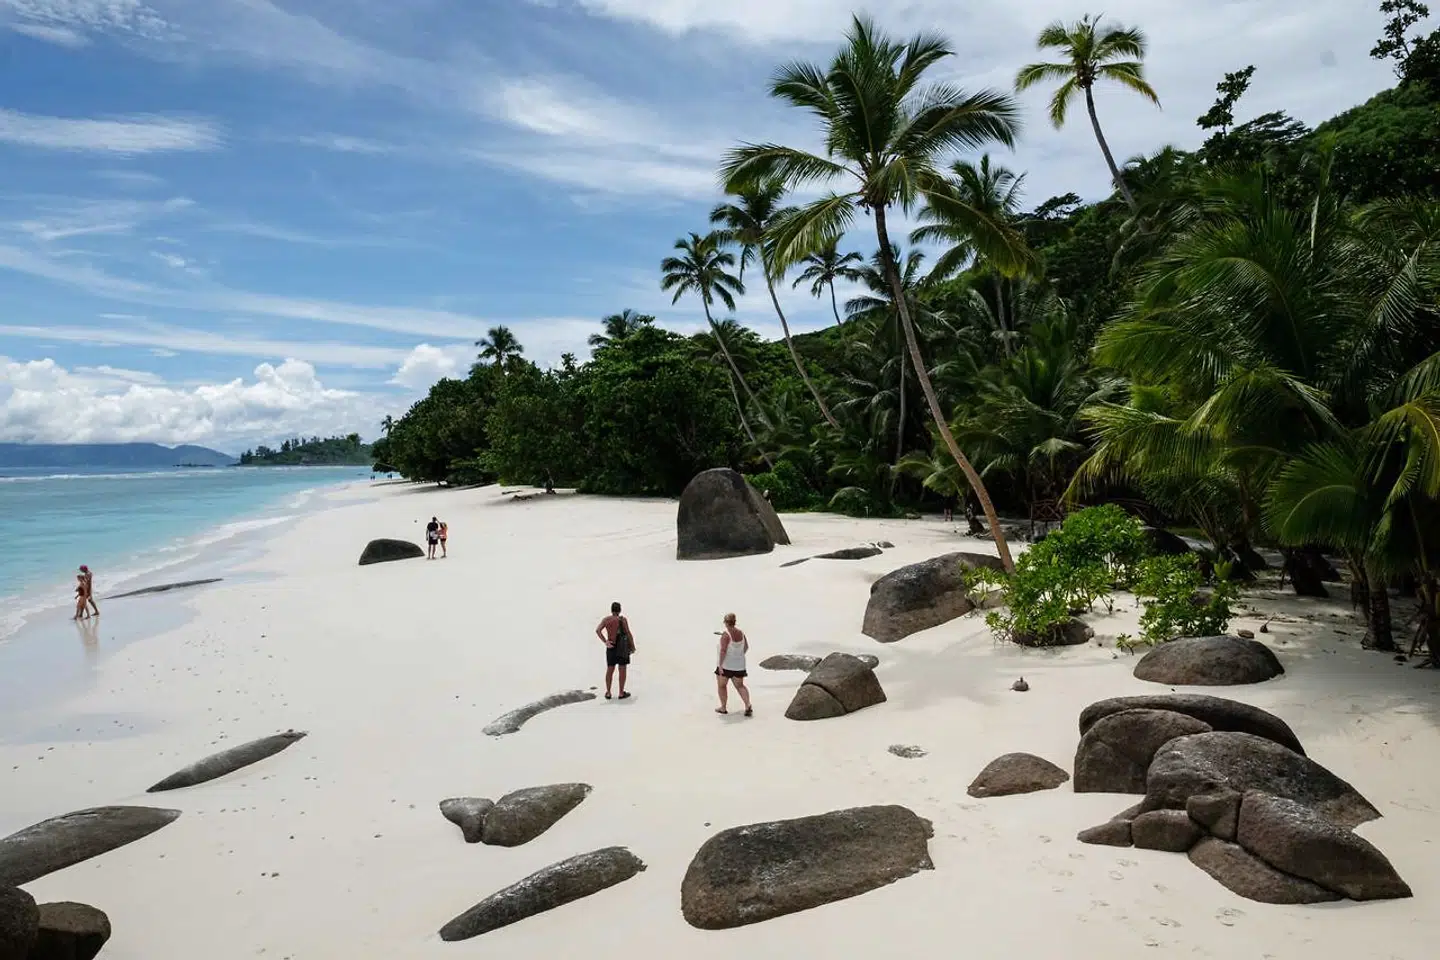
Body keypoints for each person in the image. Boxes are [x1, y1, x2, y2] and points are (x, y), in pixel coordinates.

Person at [714, 613, 752, 717]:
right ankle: (748, 705)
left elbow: (723, 651)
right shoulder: (741, 633)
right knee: (740, 686)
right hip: (739, 666)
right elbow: (746, 647)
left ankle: (723, 707)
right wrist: (738, 656)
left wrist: (721, 666)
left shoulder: (726, 635)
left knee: (722, 686)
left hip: (726, 666)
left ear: (725, 622)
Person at [595, 601, 634, 700]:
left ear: (611, 610)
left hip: (611, 646)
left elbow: (598, 630)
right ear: (620, 610)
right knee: (622, 669)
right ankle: (621, 692)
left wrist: (605, 641)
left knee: (610, 669)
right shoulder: (622, 620)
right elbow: (628, 633)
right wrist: (632, 646)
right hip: (622, 647)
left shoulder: (606, 620)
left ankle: (608, 692)